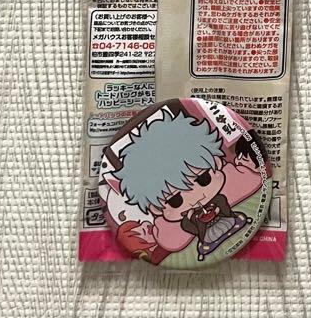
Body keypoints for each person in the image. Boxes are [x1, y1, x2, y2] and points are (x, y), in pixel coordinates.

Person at [111, 108, 264, 261]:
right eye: (175, 200)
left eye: (203, 179)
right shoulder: (169, 226)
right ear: (156, 209)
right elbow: (169, 240)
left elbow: (254, 180)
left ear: (217, 163)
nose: (196, 198)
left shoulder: (231, 176)